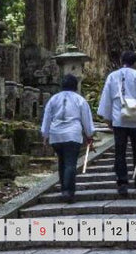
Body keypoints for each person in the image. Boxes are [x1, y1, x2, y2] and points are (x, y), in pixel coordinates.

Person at [98, 50, 136, 196]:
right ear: (135, 62)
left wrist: (107, 118)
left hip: (119, 119)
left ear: (121, 60)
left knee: (120, 152)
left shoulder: (112, 76)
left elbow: (107, 97)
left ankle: (122, 182)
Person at [40, 74, 95, 203]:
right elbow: (86, 120)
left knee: (62, 162)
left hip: (56, 134)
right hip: (72, 134)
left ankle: (64, 188)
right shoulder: (80, 100)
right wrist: (89, 135)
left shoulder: (53, 99)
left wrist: (45, 135)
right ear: (75, 86)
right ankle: (68, 191)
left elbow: (47, 118)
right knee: (70, 163)